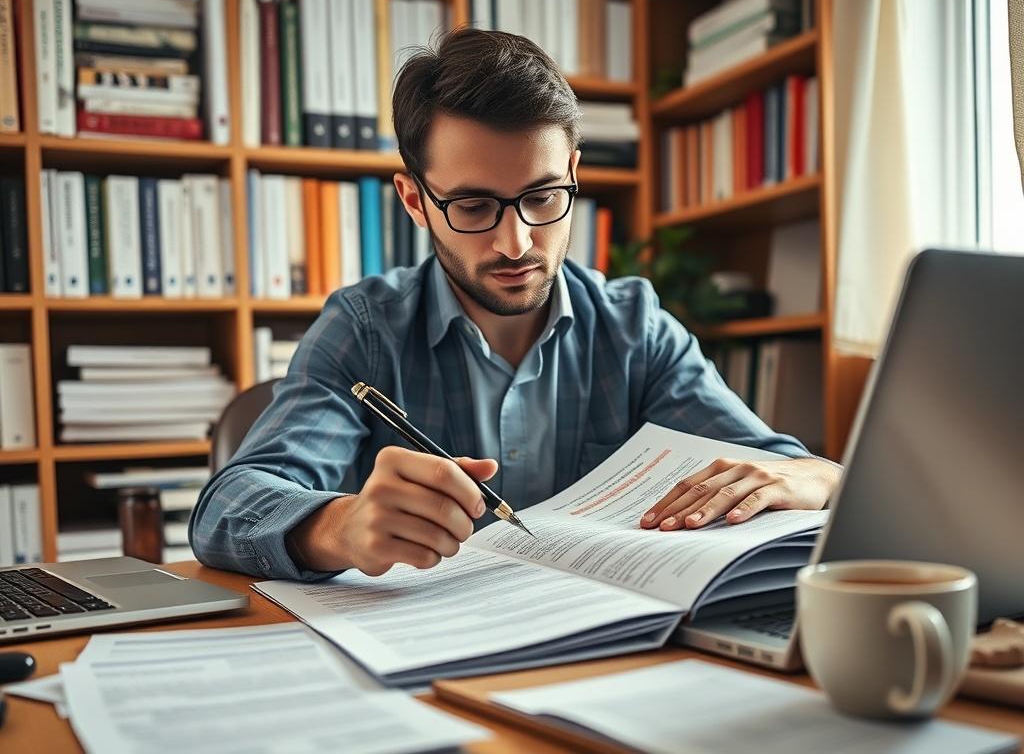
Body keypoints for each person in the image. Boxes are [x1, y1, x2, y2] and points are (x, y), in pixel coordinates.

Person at [190, 29, 840, 581]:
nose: (517, 241)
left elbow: (772, 464)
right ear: (416, 201)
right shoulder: (365, 330)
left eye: (543, 196)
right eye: (474, 206)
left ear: (574, 174)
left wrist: (816, 479)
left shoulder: (631, 328)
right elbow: (228, 506)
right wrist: (342, 525)